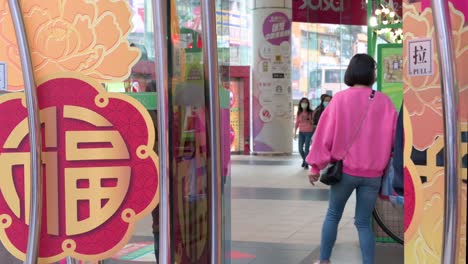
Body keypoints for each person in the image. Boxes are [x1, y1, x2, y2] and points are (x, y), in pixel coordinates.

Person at [306, 54, 397, 264]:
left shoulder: (340, 99)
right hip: (373, 175)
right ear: (372, 73)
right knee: (363, 223)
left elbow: (323, 134)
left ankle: (324, 260)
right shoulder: (384, 102)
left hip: (344, 172)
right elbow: (395, 139)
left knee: (333, 216)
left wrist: (315, 166)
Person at [294, 97, 314, 169]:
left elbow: (313, 122)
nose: (304, 104)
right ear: (300, 104)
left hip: (309, 132)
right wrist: (295, 132)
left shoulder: (311, 112)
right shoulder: (299, 112)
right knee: (300, 149)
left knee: (306, 149)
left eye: (305, 102)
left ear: (308, 104)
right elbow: (297, 122)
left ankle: (306, 163)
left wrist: (309, 120)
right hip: (301, 132)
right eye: (303, 102)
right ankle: (305, 160)